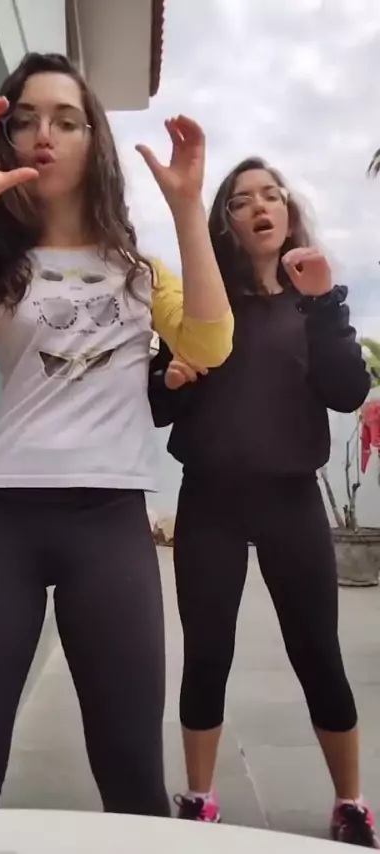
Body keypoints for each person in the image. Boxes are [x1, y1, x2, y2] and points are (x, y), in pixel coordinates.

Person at [0, 52, 234, 814]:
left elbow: (210, 344)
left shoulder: (140, 273)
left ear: (94, 141)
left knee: (134, 784)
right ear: (7, 139)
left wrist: (189, 210)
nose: (43, 133)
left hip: (108, 522)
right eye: (25, 120)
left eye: (67, 119)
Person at [148, 157, 378, 847]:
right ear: (226, 221)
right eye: (242, 199)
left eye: (271, 195)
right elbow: (157, 403)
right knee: (207, 653)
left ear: (286, 212)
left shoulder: (313, 303)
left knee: (318, 653)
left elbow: (347, 392)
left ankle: (351, 803)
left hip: (291, 502)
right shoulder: (201, 304)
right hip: (210, 501)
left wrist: (326, 302)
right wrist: (173, 379)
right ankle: (199, 797)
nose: (260, 206)